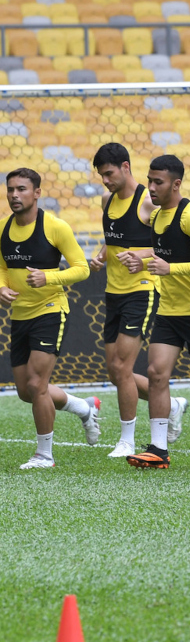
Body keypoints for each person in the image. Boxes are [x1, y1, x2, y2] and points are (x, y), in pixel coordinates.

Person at [117, 156, 190, 468]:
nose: (151, 188)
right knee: (156, 373)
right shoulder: (157, 216)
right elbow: (164, 250)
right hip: (168, 309)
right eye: (150, 181)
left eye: (158, 182)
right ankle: (158, 450)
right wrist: (140, 258)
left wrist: (170, 269)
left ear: (176, 184)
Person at [0, 168, 99, 469]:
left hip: (50, 310)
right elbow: (2, 267)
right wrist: (1, 287)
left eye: (22, 189)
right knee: (25, 391)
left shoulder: (56, 227)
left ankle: (44, 455)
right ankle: (83, 407)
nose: (15, 195)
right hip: (20, 315)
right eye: (11, 190)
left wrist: (49, 277)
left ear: (37, 193)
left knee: (36, 382)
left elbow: (82, 268)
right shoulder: (4, 228)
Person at [90, 143, 181, 459]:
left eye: (109, 173)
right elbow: (114, 237)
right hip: (113, 292)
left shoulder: (146, 202)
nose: (105, 181)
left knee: (120, 366)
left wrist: (141, 257)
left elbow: (173, 245)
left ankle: (126, 440)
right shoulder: (107, 200)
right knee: (116, 373)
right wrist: (102, 255)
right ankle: (173, 405)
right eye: (102, 175)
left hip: (142, 291)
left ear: (125, 167)